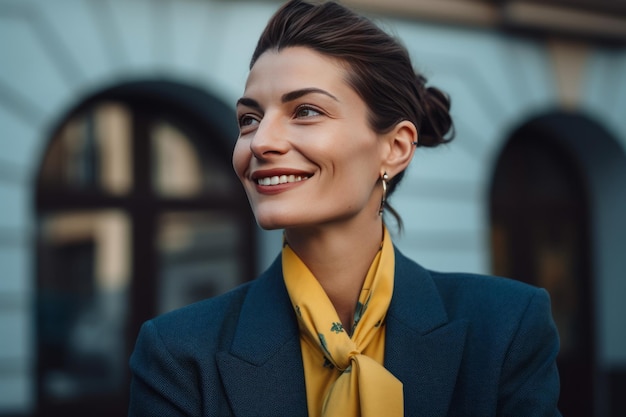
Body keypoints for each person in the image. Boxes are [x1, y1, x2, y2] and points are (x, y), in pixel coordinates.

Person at [128, 1, 562, 416]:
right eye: (249, 119)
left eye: (306, 111)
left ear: (394, 148)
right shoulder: (178, 353)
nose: (260, 142)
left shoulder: (505, 327)